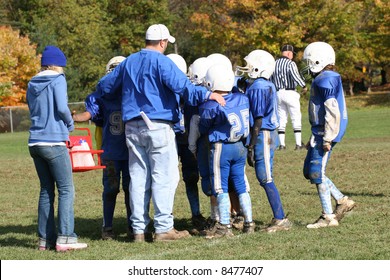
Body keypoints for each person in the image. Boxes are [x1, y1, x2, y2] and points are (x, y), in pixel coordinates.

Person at [98, 24, 225, 242]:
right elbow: (184, 88)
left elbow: (104, 86)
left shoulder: (128, 61)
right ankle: (164, 227)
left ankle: (138, 229)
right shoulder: (162, 61)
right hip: (157, 124)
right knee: (164, 176)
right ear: (163, 42)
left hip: (132, 125)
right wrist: (208, 95)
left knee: (138, 177)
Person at [26, 45, 87, 251]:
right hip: (54, 142)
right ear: (58, 65)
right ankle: (66, 238)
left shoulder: (32, 82)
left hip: (35, 142)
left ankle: (45, 240)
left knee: (46, 191)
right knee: (66, 189)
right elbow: (61, 107)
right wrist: (69, 124)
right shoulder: (58, 80)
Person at [73, 56, 133, 240]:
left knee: (122, 189)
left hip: (120, 150)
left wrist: (74, 117)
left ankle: (116, 227)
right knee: (121, 189)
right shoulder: (132, 93)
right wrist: (75, 117)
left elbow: (91, 115)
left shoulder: (103, 95)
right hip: (125, 150)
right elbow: (91, 114)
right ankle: (126, 227)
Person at [236, 49, 293, 233]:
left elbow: (258, 119)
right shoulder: (259, 84)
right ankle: (278, 217)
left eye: (251, 66)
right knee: (263, 177)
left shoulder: (261, 86)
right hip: (261, 133)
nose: (247, 69)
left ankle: (280, 218)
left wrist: (251, 145)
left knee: (265, 177)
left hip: (263, 134)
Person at [302, 42, 356, 228]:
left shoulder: (325, 79)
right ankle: (342, 200)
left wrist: (327, 137)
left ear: (319, 60)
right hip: (319, 132)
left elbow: (332, 111)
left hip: (326, 133)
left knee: (318, 173)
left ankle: (328, 216)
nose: (308, 66)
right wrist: (313, 136)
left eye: (310, 61)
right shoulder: (324, 77)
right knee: (309, 171)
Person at [198, 63, 254, 238]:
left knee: (220, 187)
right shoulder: (242, 98)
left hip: (222, 147)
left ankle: (224, 225)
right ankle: (249, 222)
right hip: (240, 146)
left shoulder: (211, 105)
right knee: (240, 186)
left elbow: (204, 126)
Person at [167, 53, 207, 231]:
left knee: (191, 177)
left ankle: (195, 213)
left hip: (184, 137)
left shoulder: (186, 86)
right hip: (172, 137)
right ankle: (167, 215)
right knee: (168, 179)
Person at [271, 44, 307, 150]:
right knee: (296, 117)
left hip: (278, 93)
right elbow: (295, 76)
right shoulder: (290, 63)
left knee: (282, 119)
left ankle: (282, 145)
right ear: (289, 53)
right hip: (290, 92)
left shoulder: (274, 63)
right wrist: (304, 86)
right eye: (292, 54)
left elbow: (270, 78)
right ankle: (298, 144)